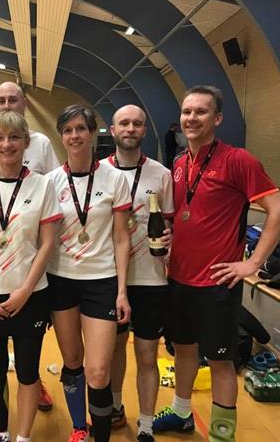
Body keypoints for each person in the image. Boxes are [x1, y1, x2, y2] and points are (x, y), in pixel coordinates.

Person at [153, 85, 280, 442]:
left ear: (217, 119)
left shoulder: (238, 160)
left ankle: (221, 434)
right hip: (178, 277)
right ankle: (181, 413)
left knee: (220, 362)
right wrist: (170, 235)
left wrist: (253, 262)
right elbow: (185, 215)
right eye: (187, 111)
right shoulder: (179, 164)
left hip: (217, 283)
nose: (192, 118)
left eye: (201, 111)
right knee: (183, 351)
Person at [0, 111, 62, 442]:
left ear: (26, 142)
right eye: (0, 138)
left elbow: (47, 244)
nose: (7, 144)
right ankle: (2, 433)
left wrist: (25, 290)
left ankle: (24, 437)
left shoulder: (43, 185)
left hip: (30, 296)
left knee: (28, 373)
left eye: (14, 137)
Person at [46, 104, 131, 442]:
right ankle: (79, 427)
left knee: (98, 371)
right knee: (71, 359)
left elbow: (121, 237)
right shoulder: (50, 182)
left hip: (101, 282)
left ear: (93, 132)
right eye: (68, 130)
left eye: (81, 128)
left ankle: (101, 436)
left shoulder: (115, 179)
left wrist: (122, 291)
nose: (75, 135)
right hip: (61, 281)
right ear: (61, 136)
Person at [103, 104, 174, 442]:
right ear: (113, 130)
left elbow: (170, 223)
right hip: (109, 279)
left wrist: (171, 236)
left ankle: (146, 425)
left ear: (145, 130)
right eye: (124, 123)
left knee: (147, 354)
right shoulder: (99, 172)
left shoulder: (161, 174)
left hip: (150, 279)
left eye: (137, 124)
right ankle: (115, 407)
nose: (130, 129)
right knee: (114, 349)